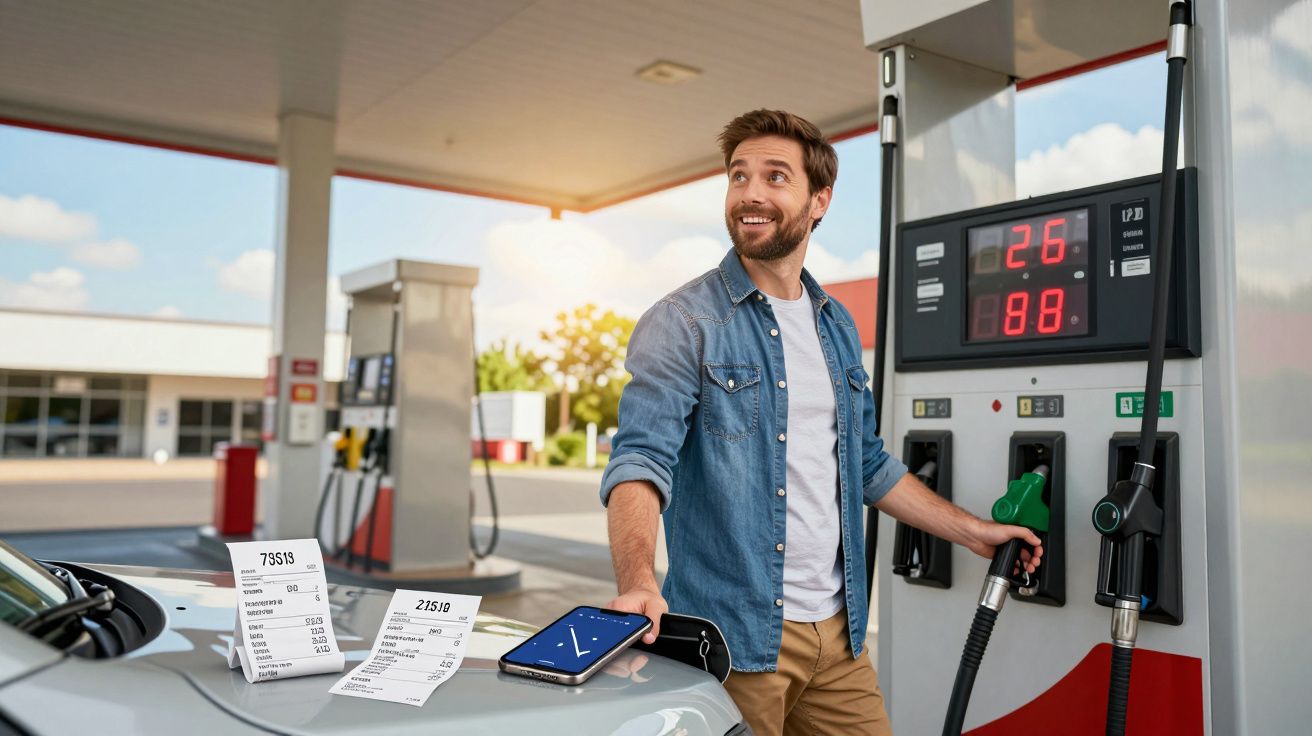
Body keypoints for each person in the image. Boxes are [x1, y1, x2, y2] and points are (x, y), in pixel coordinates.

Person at [599, 109, 1041, 735]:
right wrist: (638, 580)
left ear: (819, 201)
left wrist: (972, 533)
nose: (750, 193)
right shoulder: (684, 321)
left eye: (776, 177)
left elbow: (867, 464)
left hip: (840, 637)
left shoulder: (835, 324)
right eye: (738, 176)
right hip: (734, 642)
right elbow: (640, 462)